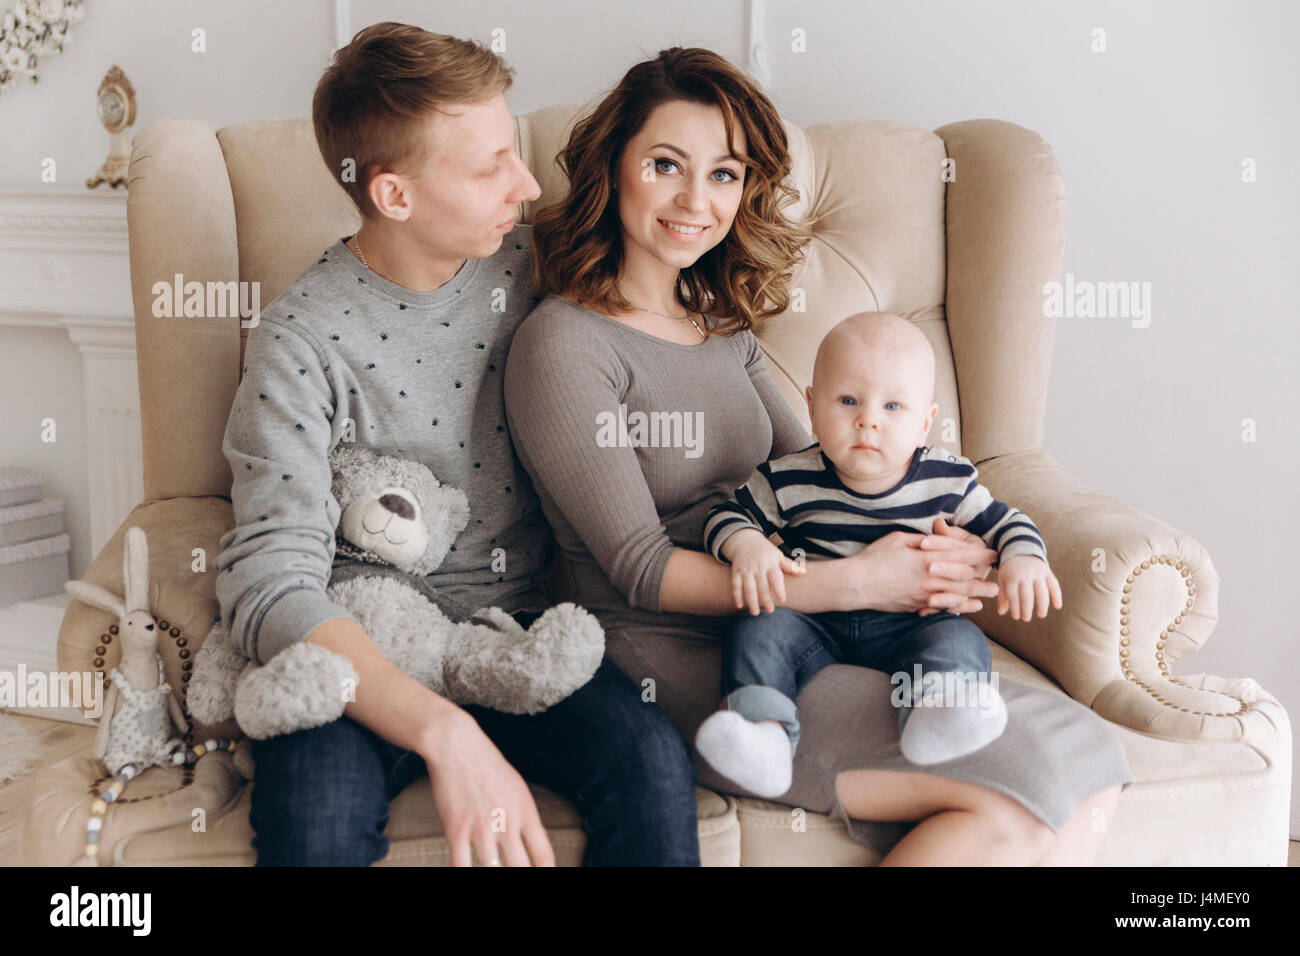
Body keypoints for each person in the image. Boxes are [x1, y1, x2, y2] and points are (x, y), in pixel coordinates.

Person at [503, 46, 1134, 864]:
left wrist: (952, 552)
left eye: (724, 174)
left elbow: (827, 472)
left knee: (1080, 767)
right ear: (613, 168)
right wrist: (857, 580)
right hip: (682, 657)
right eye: (666, 164)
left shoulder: (720, 329)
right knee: (1029, 788)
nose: (697, 199)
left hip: (816, 628)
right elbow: (639, 567)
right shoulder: (563, 343)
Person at [215, 23, 700, 867]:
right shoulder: (299, 339)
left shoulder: (542, 258)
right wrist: (445, 734)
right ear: (394, 195)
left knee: (652, 765)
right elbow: (267, 583)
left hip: (515, 630)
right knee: (313, 819)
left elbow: (677, 243)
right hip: (366, 645)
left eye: (515, 151)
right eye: (490, 168)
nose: (524, 182)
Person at [694, 311, 1065, 798]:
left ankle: (940, 708)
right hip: (815, 619)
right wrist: (745, 545)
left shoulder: (948, 479)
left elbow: (1005, 521)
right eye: (847, 400)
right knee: (760, 629)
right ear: (811, 405)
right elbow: (724, 516)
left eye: (893, 406)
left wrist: (1023, 560)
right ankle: (763, 733)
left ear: (926, 420)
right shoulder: (787, 477)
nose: (868, 419)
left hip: (912, 622)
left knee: (957, 638)